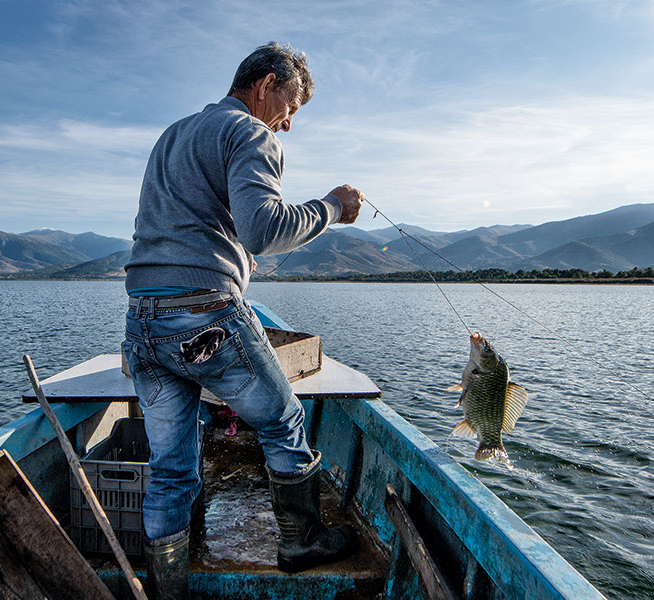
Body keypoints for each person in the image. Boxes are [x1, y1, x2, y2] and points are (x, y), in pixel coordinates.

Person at [122, 41, 364, 599]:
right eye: (291, 106)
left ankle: (166, 591)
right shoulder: (250, 132)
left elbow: (190, 226)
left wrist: (229, 254)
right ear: (266, 84)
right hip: (205, 316)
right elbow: (265, 229)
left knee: (170, 469)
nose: (288, 123)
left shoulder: (174, 135)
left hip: (142, 321)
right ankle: (302, 543)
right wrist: (332, 206)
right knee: (283, 421)